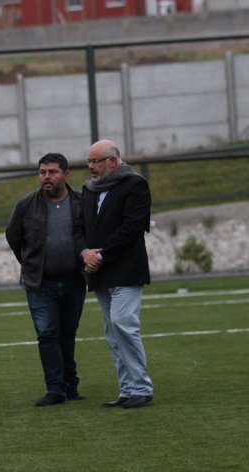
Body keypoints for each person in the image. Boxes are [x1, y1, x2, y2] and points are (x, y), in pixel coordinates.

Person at [76, 139, 154, 409]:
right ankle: (127, 390)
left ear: (112, 161)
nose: (90, 167)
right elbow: (79, 227)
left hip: (126, 269)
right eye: (88, 161)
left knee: (123, 324)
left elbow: (132, 227)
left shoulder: (135, 184)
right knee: (112, 332)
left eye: (95, 161)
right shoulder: (88, 190)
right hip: (99, 272)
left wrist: (101, 255)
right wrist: (85, 252)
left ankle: (141, 388)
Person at [6, 153, 87, 407]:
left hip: (75, 281)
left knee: (67, 333)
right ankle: (55, 389)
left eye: (52, 172)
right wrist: (31, 263)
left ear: (65, 174)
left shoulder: (81, 202)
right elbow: (13, 236)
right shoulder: (26, 205)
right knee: (47, 333)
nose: (46, 177)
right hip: (41, 284)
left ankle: (70, 384)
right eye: (42, 172)